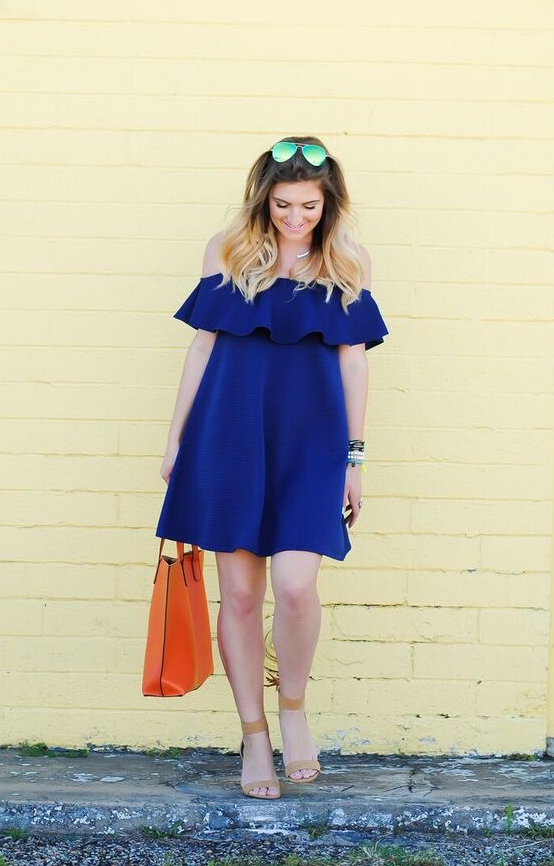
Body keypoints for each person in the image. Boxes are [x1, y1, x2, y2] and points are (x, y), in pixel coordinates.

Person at [155, 136, 389, 800]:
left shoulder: (347, 263)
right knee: (241, 596)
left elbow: (354, 360)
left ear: (328, 204)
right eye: (283, 204)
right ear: (264, 200)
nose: (295, 218)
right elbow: (203, 348)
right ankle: (253, 735)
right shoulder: (227, 252)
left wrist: (354, 459)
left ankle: (293, 711)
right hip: (228, 436)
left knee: (293, 588)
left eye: (309, 206)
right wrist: (176, 440)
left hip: (312, 445)